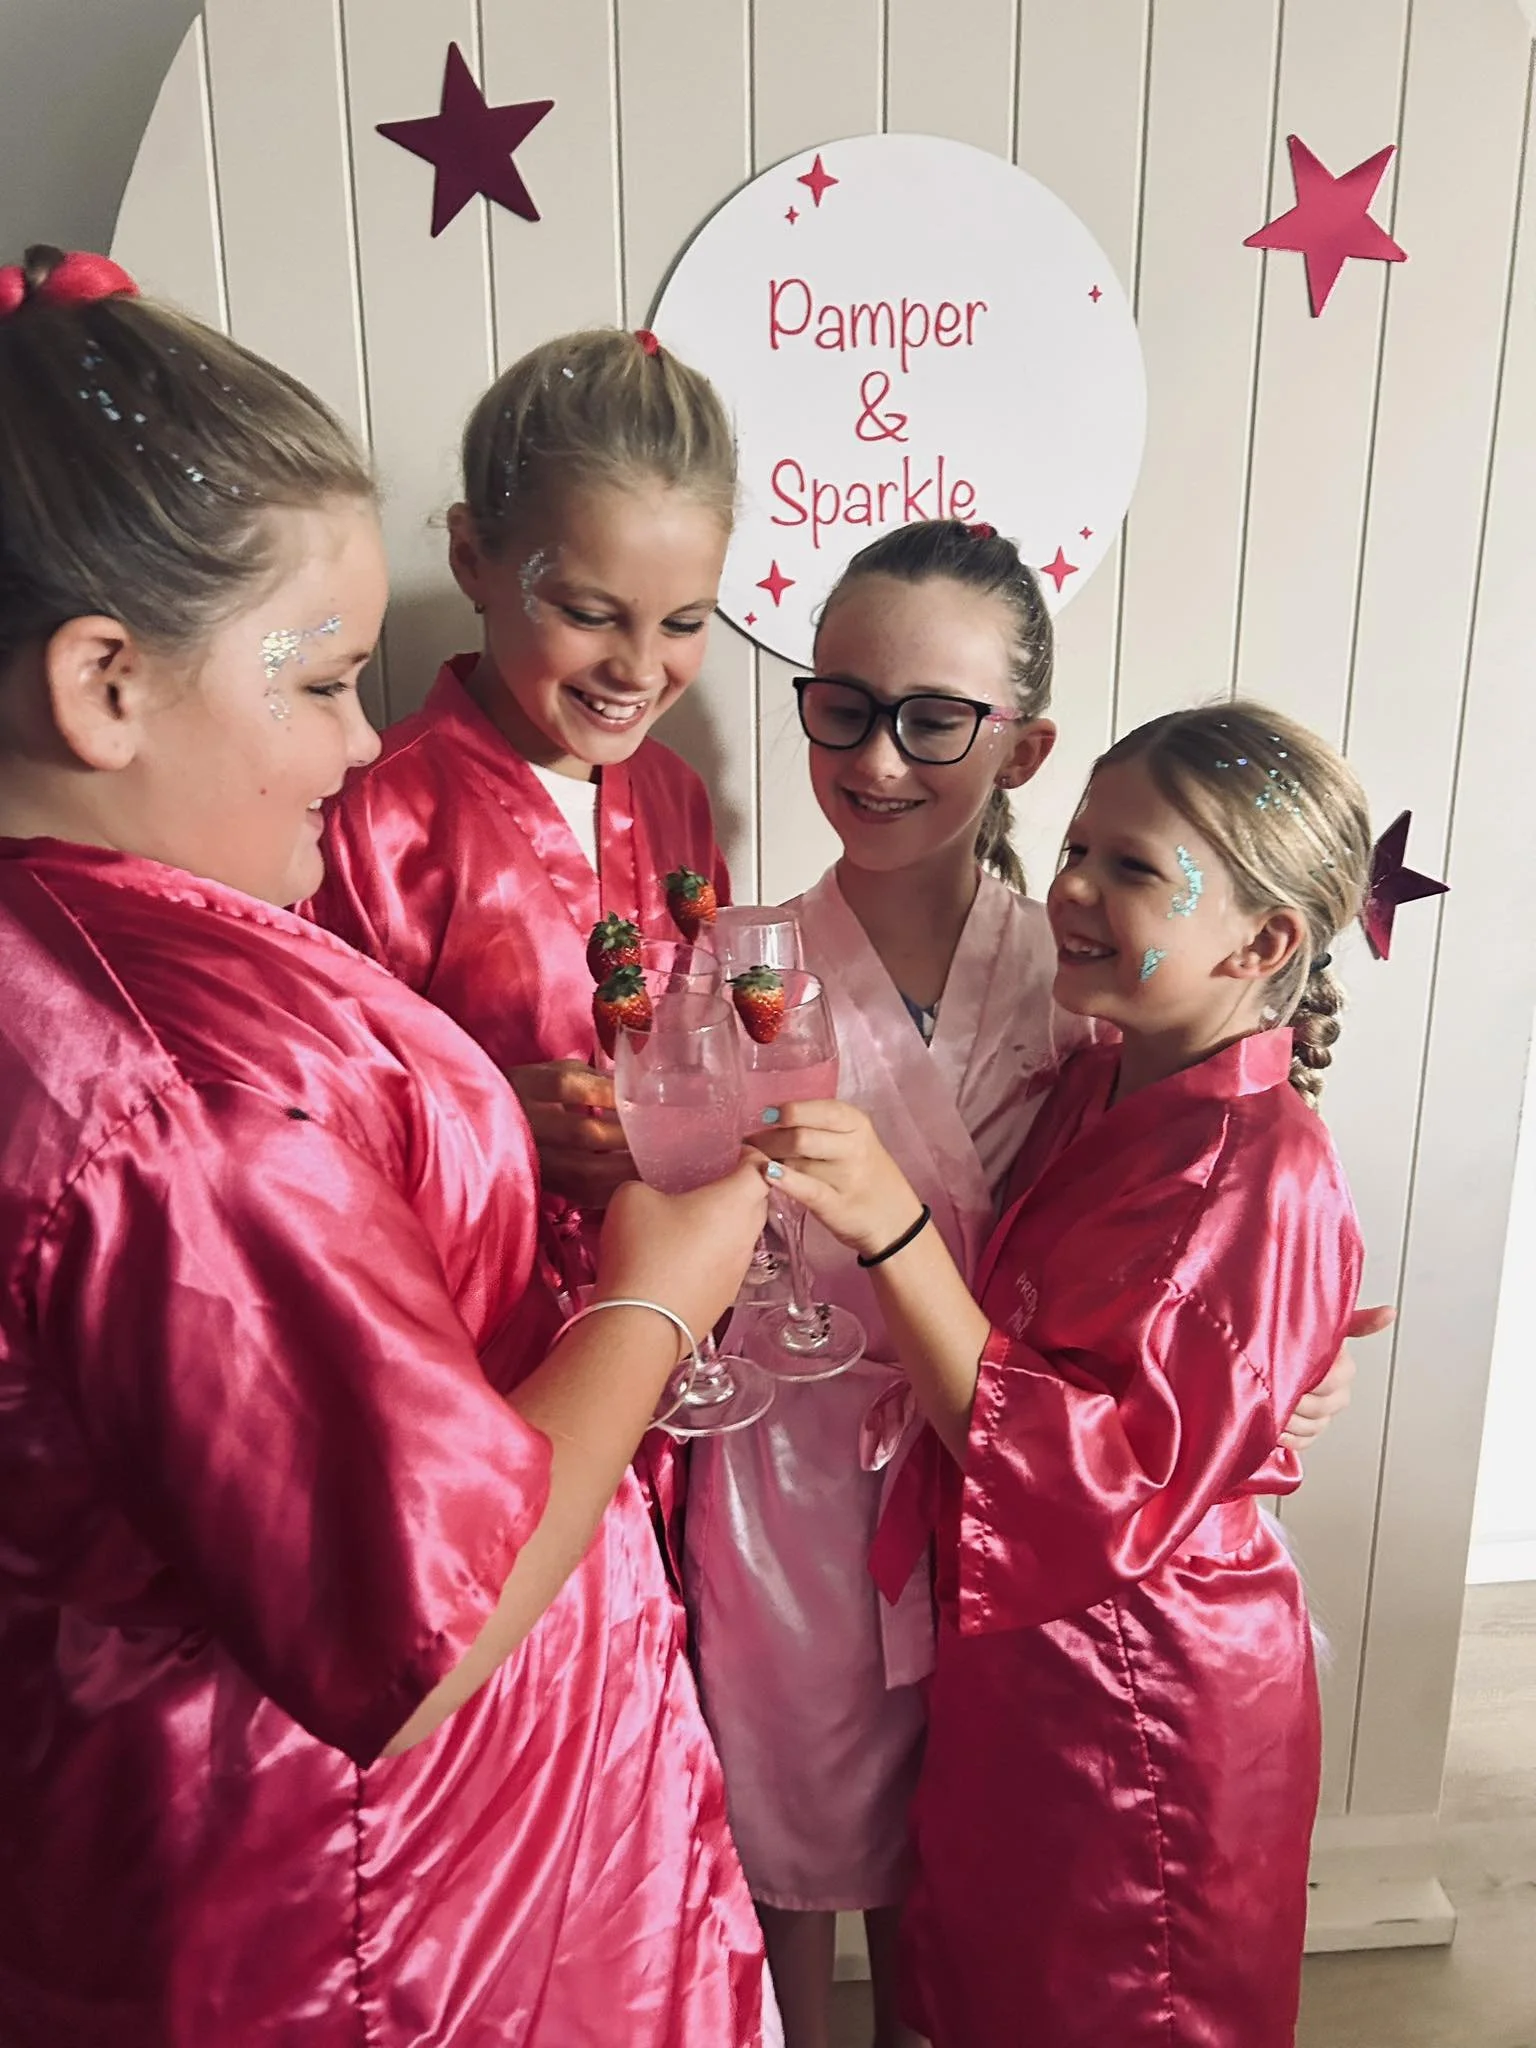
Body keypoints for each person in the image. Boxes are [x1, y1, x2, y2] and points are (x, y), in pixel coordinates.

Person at [0, 247, 775, 2047]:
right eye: (323, 682)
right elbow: (417, 1616)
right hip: (375, 1907)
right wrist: (655, 1302)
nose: (362, 738)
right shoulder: (184, 1095)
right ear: (105, 683)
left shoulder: (120, 964)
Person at [689, 523, 1367, 2048]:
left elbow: (1177, 1312)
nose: (877, 757)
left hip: (1024, 1535)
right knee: (793, 1856)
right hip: (804, 1485)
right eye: (841, 706)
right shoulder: (750, 966)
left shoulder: (1081, 1008)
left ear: (1021, 745)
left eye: (935, 718)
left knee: (1006, 1917)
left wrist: (1282, 1364)